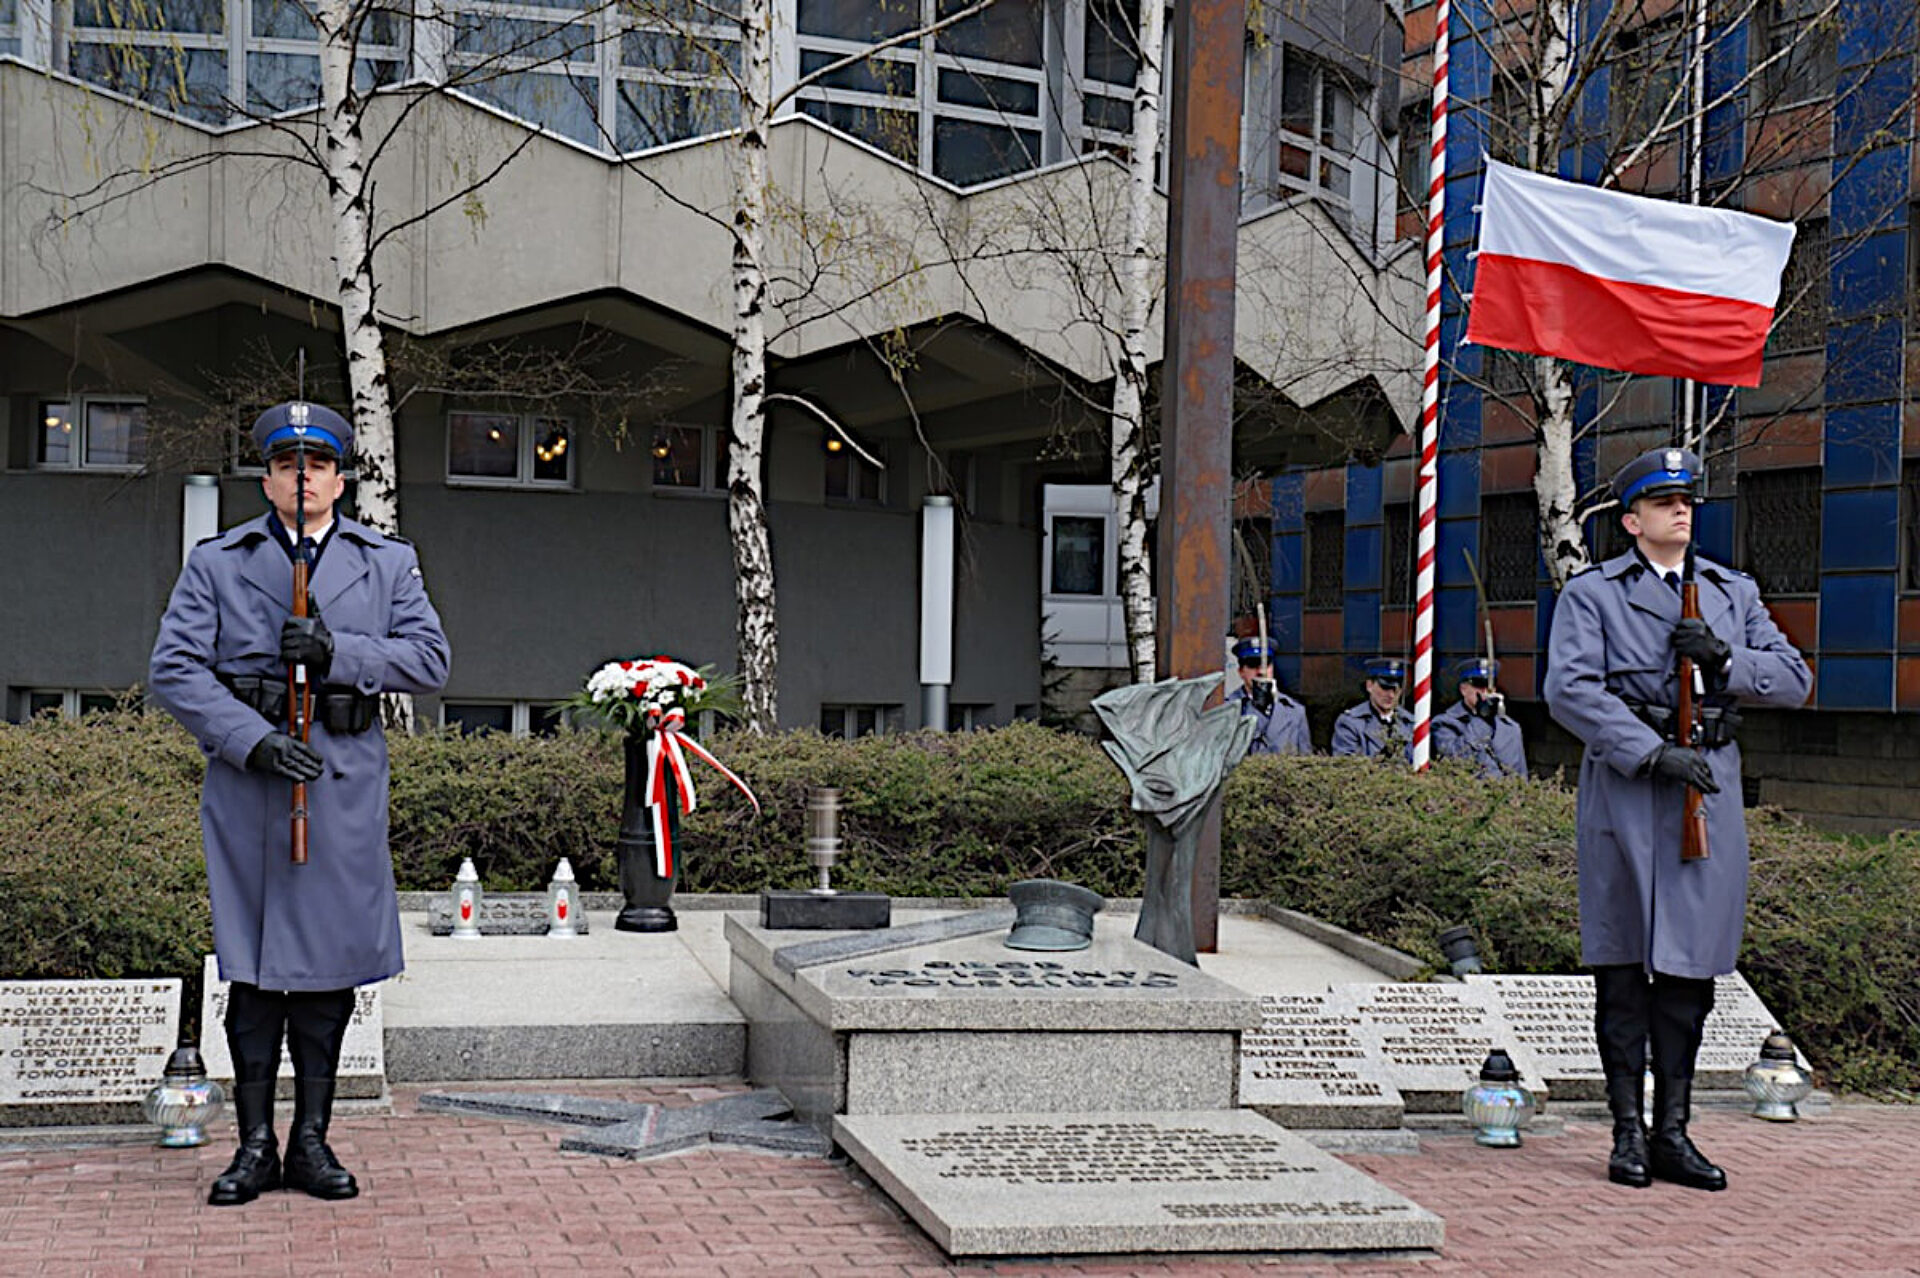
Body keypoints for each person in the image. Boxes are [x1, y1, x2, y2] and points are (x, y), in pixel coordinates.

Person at [149, 401, 451, 1206]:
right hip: (251, 789)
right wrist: (249, 739)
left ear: (340, 478)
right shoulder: (218, 562)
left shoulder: (386, 563)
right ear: (269, 477)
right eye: (289, 465)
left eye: (318, 465)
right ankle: (253, 1146)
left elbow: (429, 660)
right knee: (252, 972)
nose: (304, 478)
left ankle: (311, 1142)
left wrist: (340, 651)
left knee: (326, 973)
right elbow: (174, 670)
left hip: (340, 786)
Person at [1545, 446, 1809, 1193]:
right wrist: (1650, 753)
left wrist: (1726, 661)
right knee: (1624, 965)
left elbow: (1793, 680)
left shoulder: (1732, 592)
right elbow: (1569, 690)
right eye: (1663, 503)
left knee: (1690, 972)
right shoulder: (1594, 594)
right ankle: (1627, 1132)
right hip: (1630, 791)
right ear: (1631, 521)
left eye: (1686, 500)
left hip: (1708, 792)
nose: (1681, 511)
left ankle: (1674, 1133)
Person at [1432, 657, 1529, 777]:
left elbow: (1520, 774)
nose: (1484, 691)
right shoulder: (1445, 724)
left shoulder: (1511, 728)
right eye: (1478, 684)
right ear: (1463, 689)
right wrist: (1482, 720)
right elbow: (1455, 759)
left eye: (1489, 685)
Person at [1224, 637, 1312, 755]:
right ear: (1241, 671)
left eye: (1266, 664)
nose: (1261, 671)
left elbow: (1305, 761)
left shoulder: (1295, 712)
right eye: (1253, 664)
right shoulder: (1226, 710)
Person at [1330, 657, 1413, 760]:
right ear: (1369, 686)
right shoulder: (1350, 723)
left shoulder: (1410, 723)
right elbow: (1346, 765)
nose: (1391, 695)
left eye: (1395, 689)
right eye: (1385, 688)